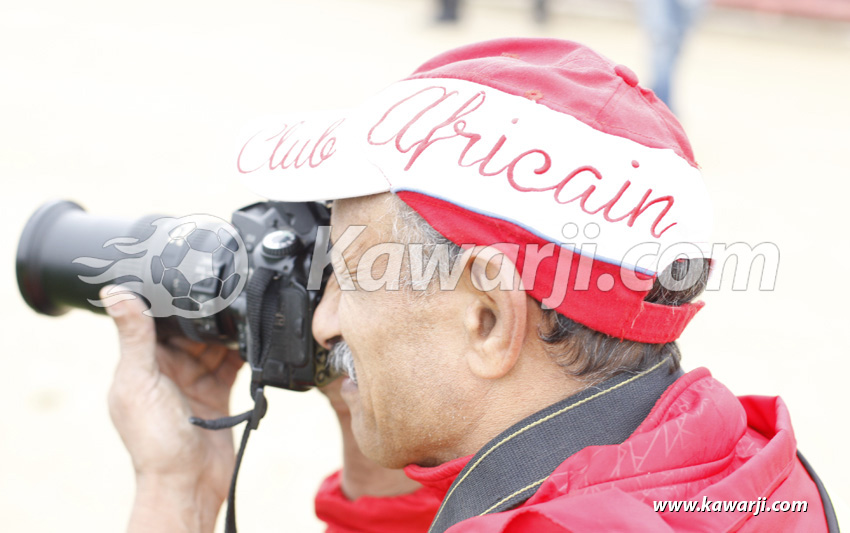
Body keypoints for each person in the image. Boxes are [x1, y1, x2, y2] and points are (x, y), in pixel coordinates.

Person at [105, 38, 831, 532]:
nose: (323, 321)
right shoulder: (755, 471)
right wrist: (371, 410)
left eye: (353, 277)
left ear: (488, 317)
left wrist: (175, 493)